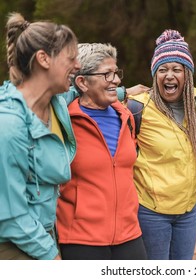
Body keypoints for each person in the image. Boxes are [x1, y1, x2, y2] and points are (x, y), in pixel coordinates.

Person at [56, 43, 147, 260]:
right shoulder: (64, 121)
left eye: (116, 73)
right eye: (107, 74)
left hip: (129, 234)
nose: (116, 80)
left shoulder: (127, 117)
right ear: (82, 82)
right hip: (81, 238)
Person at [0, 12, 80, 260]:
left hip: (42, 232)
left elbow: (83, 89)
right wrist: (51, 256)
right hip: (14, 244)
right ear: (44, 59)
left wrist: (122, 92)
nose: (77, 65)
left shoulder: (54, 102)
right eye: (71, 58)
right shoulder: (8, 124)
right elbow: (9, 216)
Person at [126, 29, 196, 260]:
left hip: (188, 211)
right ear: (155, 75)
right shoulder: (137, 108)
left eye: (176, 69)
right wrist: (122, 92)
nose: (169, 75)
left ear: (188, 75)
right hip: (152, 212)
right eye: (162, 69)